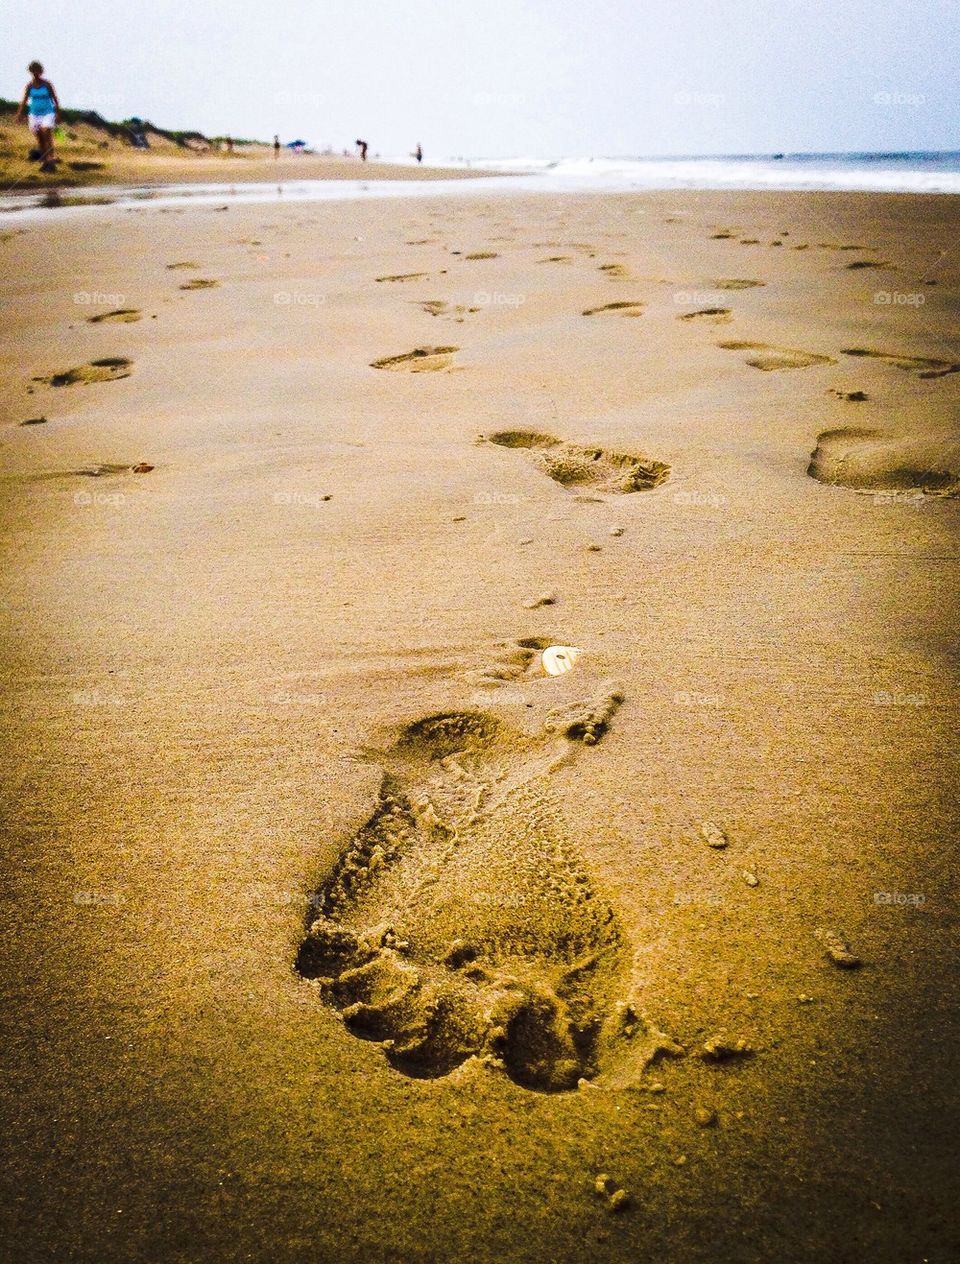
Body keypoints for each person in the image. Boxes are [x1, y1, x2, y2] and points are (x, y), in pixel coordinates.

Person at [15, 61, 60, 174]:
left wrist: (58, 113)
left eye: (38, 71)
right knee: (39, 137)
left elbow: (55, 99)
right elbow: (24, 100)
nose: (36, 73)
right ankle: (45, 161)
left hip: (48, 112)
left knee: (46, 132)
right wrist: (19, 114)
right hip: (34, 114)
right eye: (33, 71)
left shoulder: (47, 84)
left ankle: (50, 157)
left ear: (41, 72)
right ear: (31, 72)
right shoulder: (29, 86)